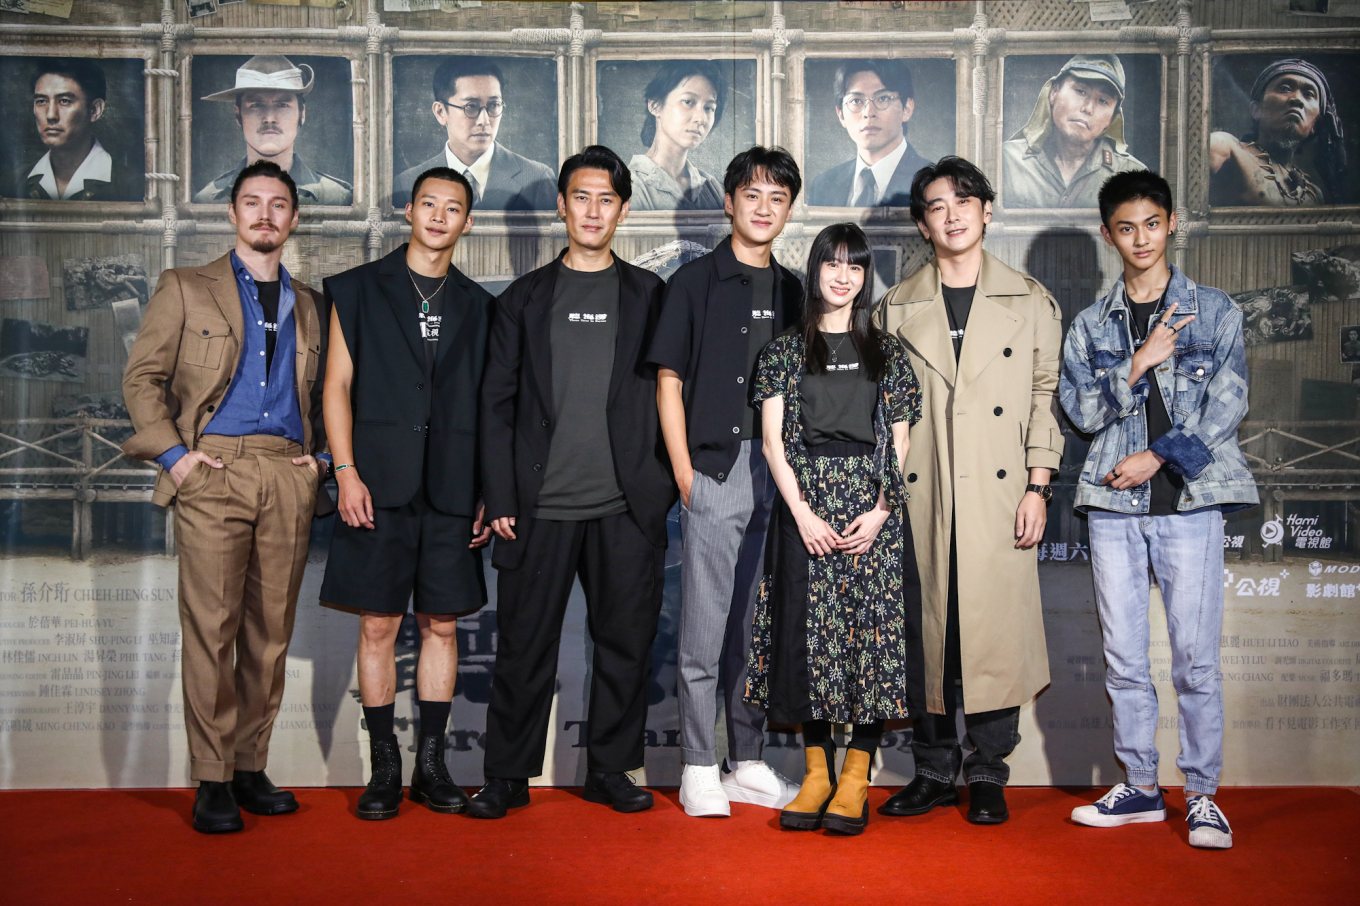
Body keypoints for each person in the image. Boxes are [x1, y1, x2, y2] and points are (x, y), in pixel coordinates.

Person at [121, 160, 330, 834]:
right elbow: (142, 379)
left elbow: (331, 395)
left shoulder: (312, 304)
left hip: (287, 473)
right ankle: (211, 778)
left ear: (293, 218)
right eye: (252, 202)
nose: (265, 214)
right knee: (212, 631)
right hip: (213, 469)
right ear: (233, 213)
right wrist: (177, 459)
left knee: (269, 634)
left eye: (278, 204)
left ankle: (249, 767)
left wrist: (321, 463)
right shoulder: (186, 286)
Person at [469, 145, 673, 818]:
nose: (592, 211)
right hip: (538, 507)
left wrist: (659, 486)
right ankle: (506, 776)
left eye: (605, 199)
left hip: (625, 507)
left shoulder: (650, 297)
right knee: (524, 648)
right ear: (561, 205)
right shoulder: (524, 299)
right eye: (581, 197)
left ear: (623, 209)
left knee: (625, 645)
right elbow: (495, 405)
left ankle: (611, 769)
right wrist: (500, 494)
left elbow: (673, 391)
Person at [1060, 169, 1258, 849]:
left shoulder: (1215, 310)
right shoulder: (1091, 325)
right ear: (1108, 234)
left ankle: (1202, 796)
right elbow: (1082, 411)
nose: (1140, 238)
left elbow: (1229, 402)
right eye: (1126, 227)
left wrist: (1158, 456)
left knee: (1195, 660)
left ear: (1172, 224)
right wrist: (1137, 363)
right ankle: (1141, 787)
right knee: (1124, 658)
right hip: (1114, 506)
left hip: (1189, 503)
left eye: (1151, 223)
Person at [876, 156, 1063, 825]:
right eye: (936, 205)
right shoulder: (896, 307)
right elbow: (882, 411)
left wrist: (1038, 486)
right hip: (919, 493)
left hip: (1000, 490)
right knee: (927, 631)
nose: (951, 215)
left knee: (994, 632)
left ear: (987, 211)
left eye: (963, 202)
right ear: (922, 224)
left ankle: (987, 772)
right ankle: (932, 770)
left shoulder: (1031, 300)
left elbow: (1044, 396)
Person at [318, 166, 494, 820]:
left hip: (452, 486)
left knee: (442, 624)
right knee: (378, 625)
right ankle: (384, 768)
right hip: (376, 483)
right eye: (428, 204)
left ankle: (432, 766)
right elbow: (336, 386)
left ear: (467, 221)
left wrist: (489, 490)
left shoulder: (480, 305)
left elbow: (491, 404)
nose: (439, 217)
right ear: (409, 211)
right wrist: (345, 471)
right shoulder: (359, 289)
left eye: (453, 208)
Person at [745, 223, 922, 836]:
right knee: (809, 639)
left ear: (865, 276)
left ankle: (855, 777)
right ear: (815, 269)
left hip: (872, 509)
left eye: (855, 266)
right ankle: (816, 773)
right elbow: (772, 444)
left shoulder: (888, 352)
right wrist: (802, 514)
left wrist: (881, 511)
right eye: (832, 264)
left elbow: (900, 441)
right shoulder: (783, 352)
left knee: (871, 640)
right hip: (806, 505)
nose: (843, 277)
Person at [648, 146, 804, 818]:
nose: (764, 208)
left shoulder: (796, 290)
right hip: (715, 468)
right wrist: (685, 472)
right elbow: (669, 381)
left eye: (778, 198)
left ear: (789, 209)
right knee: (705, 625)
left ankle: (747, 760)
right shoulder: (693, 283)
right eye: (752, 195)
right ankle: (697, 764)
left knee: (754, 625)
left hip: (780, 474)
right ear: (729, 201)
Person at [392, 57, 556, 210]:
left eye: (494, 105)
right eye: (471, 106)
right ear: (441, 112)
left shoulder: (538, 179)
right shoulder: (407, 184)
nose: (484, 120)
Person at [194, 54, 352, 205]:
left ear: (302, 114)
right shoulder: (207, 200)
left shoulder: (337, 199)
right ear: (238, 115)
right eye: (256, 105)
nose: (269, 118)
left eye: (282, 105)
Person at [1002, 55, 1147, 208]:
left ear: (1111, 119)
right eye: (1081, 91)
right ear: (1053, 92)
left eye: (1103, 101)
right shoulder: (1006, 161)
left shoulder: (1132, 176)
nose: (1088, 108)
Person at [1209, 58, 1344, 206]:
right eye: (1285, 88)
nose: (1297, 99)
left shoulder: (1314, 195)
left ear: (1314, 124)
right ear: (1256, 110)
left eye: (1308, 94)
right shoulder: (1225, 148)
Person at [808, 59, 931, 208]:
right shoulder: (822, 187)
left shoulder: (934, 181)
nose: (868, 112)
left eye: (883, 98)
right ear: (840, 114)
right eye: (856, 101)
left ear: (907, 108)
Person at [18, 57, 138, 201]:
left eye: (64, 101)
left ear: (95, 110)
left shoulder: (134, 186)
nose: (50, 115)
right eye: (41, 101)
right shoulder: (14, 181)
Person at [627, 60, 727, 211]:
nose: (701, 118)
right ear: (655, 105)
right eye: (688, 102)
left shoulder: (713, 188)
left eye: (709, 108)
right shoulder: (629, 186)